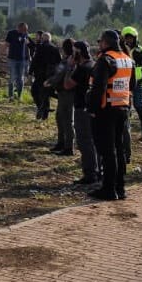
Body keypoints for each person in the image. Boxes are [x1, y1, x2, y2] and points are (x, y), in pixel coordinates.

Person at [87, 29, 133, 200]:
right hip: (122, 108)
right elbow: (131, 85)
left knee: (107, 152)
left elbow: (98, 87)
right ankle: (119, 188)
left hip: (106, 110)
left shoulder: (106, 60)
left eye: (100, 42)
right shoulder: (128, 60)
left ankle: (108, 189)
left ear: (105, 43)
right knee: (119, 149)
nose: (99, 45)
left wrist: (92, 110)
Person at [65, 40, 100, 185]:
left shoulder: (81, 68)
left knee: (84, 142)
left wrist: (69, 67)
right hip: (94, 108)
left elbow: (67, 85)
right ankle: (98, 171)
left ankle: (90, 173)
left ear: (78, 52)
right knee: (94, 141)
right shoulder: (94, 65)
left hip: (82, 109)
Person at [122, 26, 142, 141]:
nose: (129, 40)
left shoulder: (141, 51)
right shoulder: (121, 51)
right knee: (125, 108)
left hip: (138, 82)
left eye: (131, 38)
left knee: (139, 106)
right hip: (125, 82)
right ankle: (126, 131)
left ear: (135, 38)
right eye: (126, 38)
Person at [47, 37, 76, 155]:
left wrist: (48, 82)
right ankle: (62, 143)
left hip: (66, 93)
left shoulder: (67, 61)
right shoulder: (73, 60)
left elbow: (59, 74)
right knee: (61, 118)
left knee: (66, 120)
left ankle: (67, 147)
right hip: (66, 93)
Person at [29, 31, 61, 120]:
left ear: (43, 39)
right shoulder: (55, 49)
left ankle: (41, 107)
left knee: (34, 91)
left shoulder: (40, 47)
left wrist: (30, 72)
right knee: (46, 94)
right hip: (50, 75)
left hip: (39, 74)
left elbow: (34, 61)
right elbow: (59, 62)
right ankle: (45, 114)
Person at [4, 22, 31, 100]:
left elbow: (27, 46)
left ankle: (19, 96)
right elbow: (6, 44)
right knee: (12, 77)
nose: (25, 31)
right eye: (24, 29)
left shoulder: (25, 34)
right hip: (12, 59)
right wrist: (2, 54)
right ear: (19, 28)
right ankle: (10, 96)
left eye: (26, 30)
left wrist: (29, 56)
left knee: (20, 78)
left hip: (22, 60)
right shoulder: (11, 33)